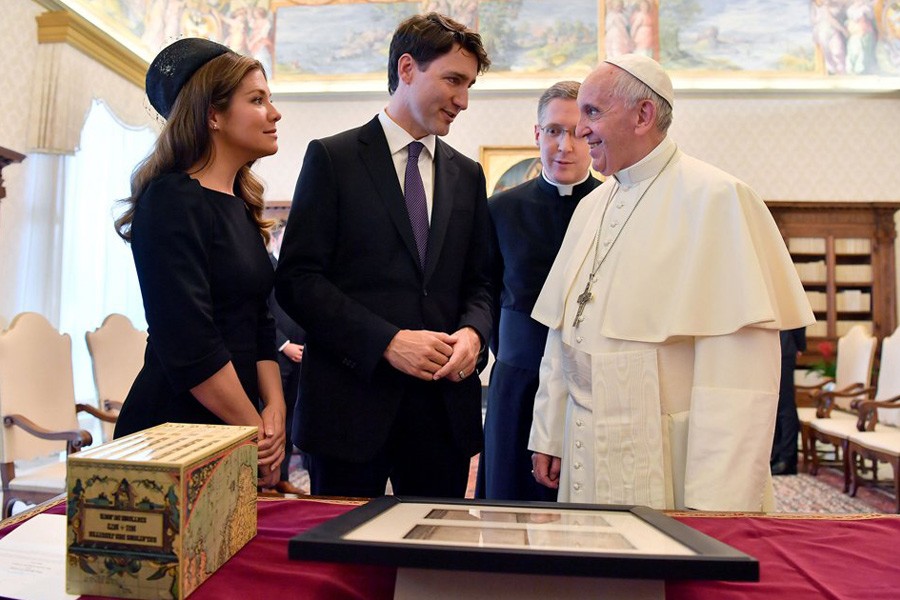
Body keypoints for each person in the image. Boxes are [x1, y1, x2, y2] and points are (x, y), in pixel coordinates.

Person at [528, 54, 814, 511]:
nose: (580, 129)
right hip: (586, 442)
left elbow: (739, 378)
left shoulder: (718, 198)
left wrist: (720, 503)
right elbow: (564, 331)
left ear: (643, 115)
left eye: (593, 112)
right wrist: (549, 430)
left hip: (671, 458)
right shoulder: (591, 206)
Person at [275, 13, 492, 498]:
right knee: (344, 567)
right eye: (454, 80)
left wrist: (475, 335)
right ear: (408, 68)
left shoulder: (469, 175)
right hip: (349, 409)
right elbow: (297, 280)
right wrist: (387, 342)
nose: (463, 100)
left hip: (442, 415)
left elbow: (482, 281)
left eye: (469, 85)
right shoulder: (332, 158)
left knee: (436, 566)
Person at [113, 38, 286, 488]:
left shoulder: (240, 204)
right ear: (213, 114)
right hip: (178, 430)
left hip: (236, 422)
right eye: (257, 100)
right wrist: (251, 430)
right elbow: (189, 341)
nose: (275, 113)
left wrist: (274, 409)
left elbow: (259, 321)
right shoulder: (172, 199)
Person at [477, 81, 600, 501]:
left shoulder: (612, 206)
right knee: (508, 503)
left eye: (577, 132)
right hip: (517, 376)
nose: (563, 146)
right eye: (552, 131)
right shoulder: (500, 209)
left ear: (592, 135)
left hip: (590, 382)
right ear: (536, 134)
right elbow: (485, 295)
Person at [267, 221, 307, 494]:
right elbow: (263, 314)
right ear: (278, 237)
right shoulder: (266, 266)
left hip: (303, 356)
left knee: (292, 419)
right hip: (275, 358)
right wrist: (284, 345)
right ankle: (269, 477)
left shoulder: (302, 270)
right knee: (274, 419)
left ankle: (283, 476)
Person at [771, 328, 807, 476]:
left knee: (785, 406)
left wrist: (799, 344)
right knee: (774, 406)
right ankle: (776, 455)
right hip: (767, 347)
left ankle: (788, 459)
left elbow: (796, 313)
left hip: (784, 346)